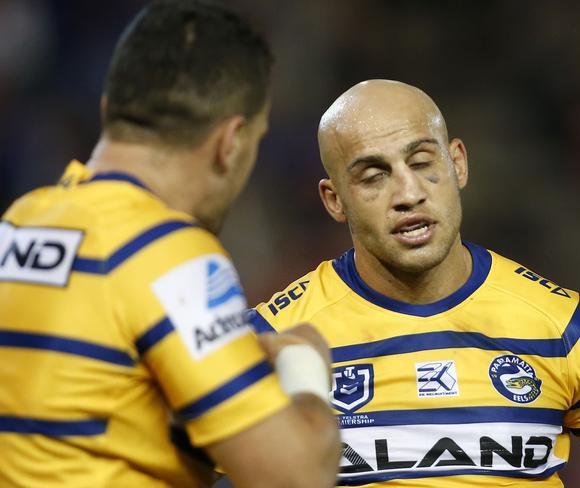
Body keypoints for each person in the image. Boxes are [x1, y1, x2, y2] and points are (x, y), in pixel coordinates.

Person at [0, 2, 340, 487]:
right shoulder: (170, 255)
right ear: (232, 143)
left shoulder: (20, 221)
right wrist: (305, 367)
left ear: (108, 110)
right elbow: (298, 476)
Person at [249, 79, 580, 487]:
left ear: (457, 163)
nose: (408, 193)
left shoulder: (567, 329)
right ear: (334, 200)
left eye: (423, 163)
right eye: (373, 176)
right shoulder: (272, 339)